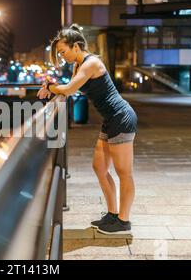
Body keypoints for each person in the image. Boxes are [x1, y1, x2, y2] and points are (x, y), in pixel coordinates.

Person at [37, 24, 138, 235]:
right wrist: (54, 88)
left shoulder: (91, 63)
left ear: (76, 46)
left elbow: (70, 89)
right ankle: (112, 214)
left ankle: (123, 221)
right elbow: (67, 89)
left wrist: (50, 87)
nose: (62, 56)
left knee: (124, 173)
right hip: (110, 119)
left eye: (63, 52)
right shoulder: (78, 65)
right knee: (99, 167)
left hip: (121, 117)